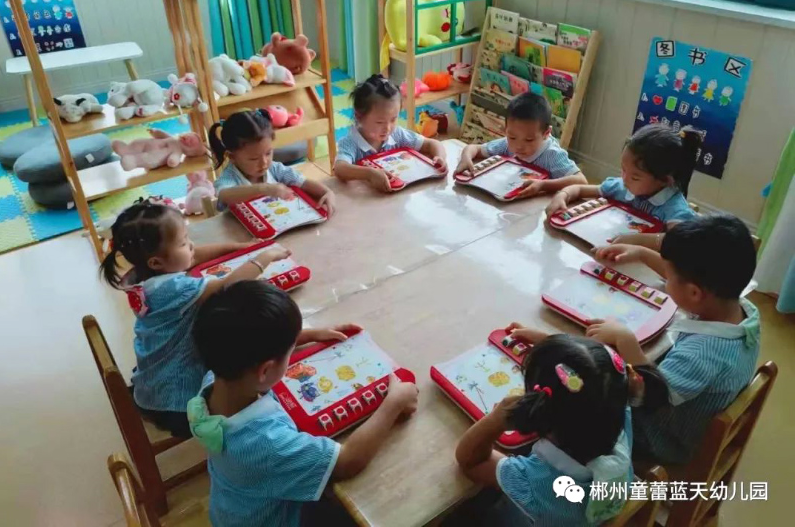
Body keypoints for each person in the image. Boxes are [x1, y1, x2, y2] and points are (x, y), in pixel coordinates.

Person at [188, 280, 420, 527]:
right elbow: (349, 461)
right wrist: (393, 403)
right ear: (264, 371)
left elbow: (238, 340)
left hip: (232, 509)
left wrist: (304, 336)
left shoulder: (214, 379)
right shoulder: (268, 444)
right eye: (289, 352)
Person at [99, 199, 290, 437]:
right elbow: (227, 285)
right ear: (156, 261)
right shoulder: (174, 289)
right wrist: (265, 257)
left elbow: (195, 254)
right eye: (183, 242)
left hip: (150, 385)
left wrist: (238, 247)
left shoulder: (140, 276)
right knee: (241, 379)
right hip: (178, 404)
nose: (191, 245)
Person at [588, 214, 759, 464]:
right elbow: (688, 280)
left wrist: (626, 342)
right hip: (691, 410)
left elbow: (652, 394)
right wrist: (642, 253)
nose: (666, 282)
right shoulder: (741, 307)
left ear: (694, 292)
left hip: (662, 439)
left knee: (587, 398)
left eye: (668, 278)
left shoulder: (701, 354)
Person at [456, 326, 667, 526]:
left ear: (541, 413)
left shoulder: (534, 485)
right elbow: (593, 385)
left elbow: (471, 462)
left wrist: (497, 418)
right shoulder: (618, 415)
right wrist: (555, 349)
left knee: (464, 509)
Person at [546, 125, 701, 248]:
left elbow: (677, 242)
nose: (624, 178)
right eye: (623, 169)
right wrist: (562, 195)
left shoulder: (674, 208)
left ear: (666, 180)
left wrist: (636, 240)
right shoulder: (622, 187)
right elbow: (579, 189)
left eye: (635, 177)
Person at [455, 92, 586, 197]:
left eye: (529, 140)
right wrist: (466, 158)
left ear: (546, 133)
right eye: (512, 137)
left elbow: (581, 181)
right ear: (505, 129)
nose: (519, 146)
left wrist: (543, 185)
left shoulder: (552, 155)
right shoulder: (507, 144)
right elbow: (474, 149)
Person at [333, 74, 448, 191]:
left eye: (393, 119)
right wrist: (369, 174)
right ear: (359, 116)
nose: (387, 128)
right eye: (379, 122)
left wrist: (440, 157)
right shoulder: (351, 142)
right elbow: (340, 168)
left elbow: (431, 144)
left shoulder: (397, 135)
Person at [209, 109, 336, 214]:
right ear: (232, 157)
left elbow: (303, 182)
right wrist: (263, 189)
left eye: (268, 153)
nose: (264, 162)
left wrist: (327, 192)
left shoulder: (275, 169)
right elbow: (224, 195)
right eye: (254, 158)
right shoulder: (230, 177)